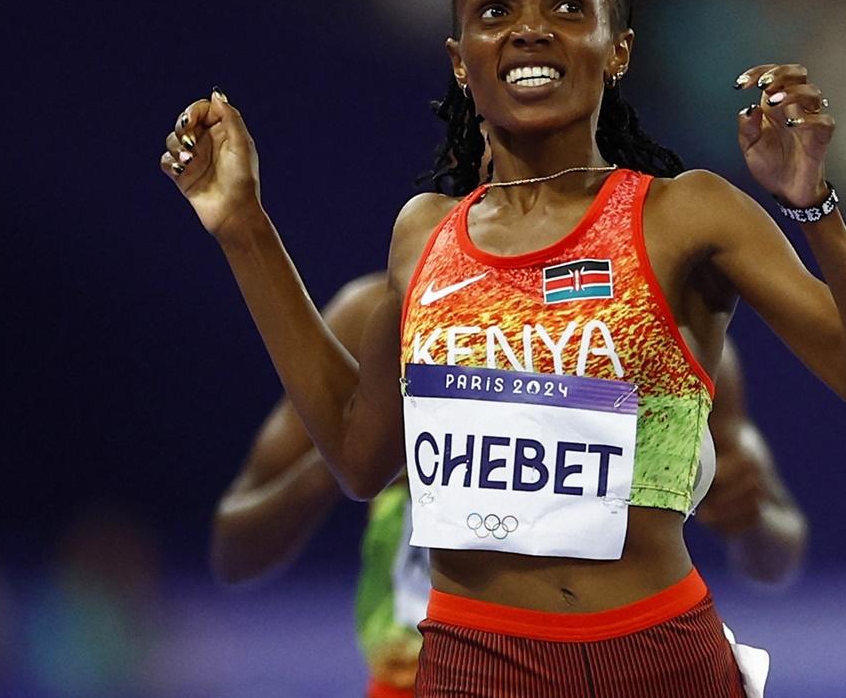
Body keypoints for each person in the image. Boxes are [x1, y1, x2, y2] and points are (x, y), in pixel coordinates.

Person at [160, 0, 846, 697]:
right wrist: (244, 228)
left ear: (619, 49)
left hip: (659, 660)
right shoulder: (423, 233)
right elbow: (363, 460)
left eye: (568, 6)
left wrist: (818, 211)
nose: (531, 30)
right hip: (474, 664)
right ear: (461, 63)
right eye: (496, 11)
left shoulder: (687, 215)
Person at [210, 273, 807, 698]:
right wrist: (357, 450)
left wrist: (749, 515)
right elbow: (234, 552)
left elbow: (777, 556)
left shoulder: (663, 333)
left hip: (611, 670)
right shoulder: (377, 318)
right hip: (423, 678)